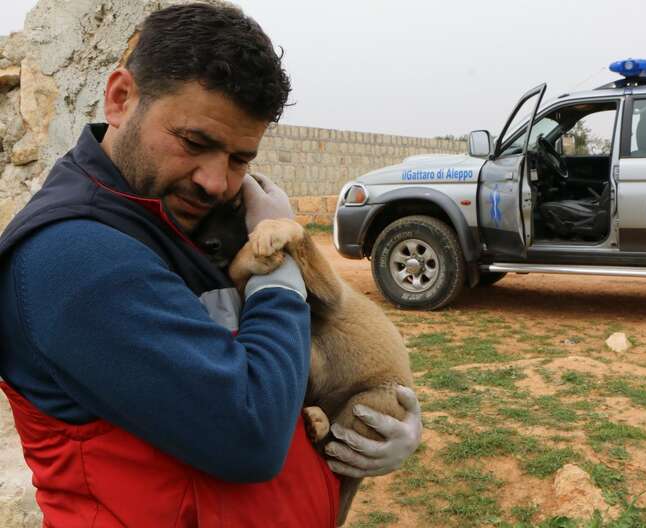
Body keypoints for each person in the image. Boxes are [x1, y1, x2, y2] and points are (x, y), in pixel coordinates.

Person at [0, 3, 421, 527]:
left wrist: (368, 423)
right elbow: (250, 433)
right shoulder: (73, 257)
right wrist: (279, 271)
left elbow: (268, 364)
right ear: (120, 98)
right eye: (195, 143)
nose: (216, 182)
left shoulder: (176, 214)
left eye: (240, 159)